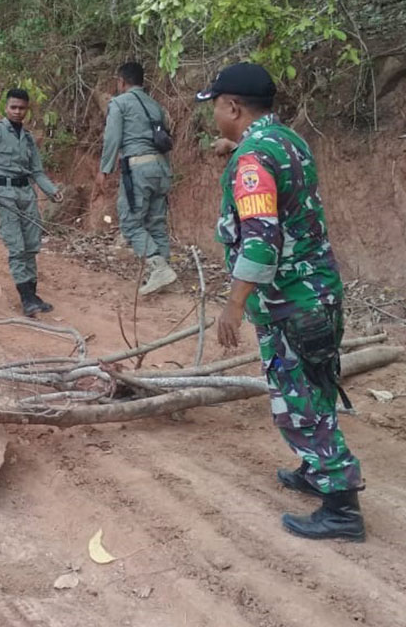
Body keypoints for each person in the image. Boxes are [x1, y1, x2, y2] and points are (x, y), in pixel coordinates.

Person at [198, 62, 364, 541]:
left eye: (216, 107)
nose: (214, 117)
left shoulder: (253, 162)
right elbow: (277, 179)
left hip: (290, 305)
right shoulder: (288, 141)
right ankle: (316, 473)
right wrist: (236, 152)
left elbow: (260, 243)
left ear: (233, 107)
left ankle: (342, 507)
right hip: (320, 294)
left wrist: (233, 307)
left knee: (299, 402)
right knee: (317, 385)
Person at [0, 88, 65, 316]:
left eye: (22, 108)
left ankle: (32, 293)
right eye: (13, 107)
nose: (17, 112)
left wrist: (52, 191)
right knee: (16, 245)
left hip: (27, 193)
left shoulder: (28, 137)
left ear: (27, 110)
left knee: (32, 245)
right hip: (5, 193)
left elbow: (37, 171)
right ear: (6, 107)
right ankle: (26, 298)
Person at [95, 62, 178, 295]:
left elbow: (112, 138)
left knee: (131, 224)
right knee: (156, 222)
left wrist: (105, 169)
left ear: (121, 81)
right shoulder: (155, 106)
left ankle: (158, 267)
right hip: (162, 168)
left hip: (139, 168)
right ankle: (163, 273)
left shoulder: (119, 103)